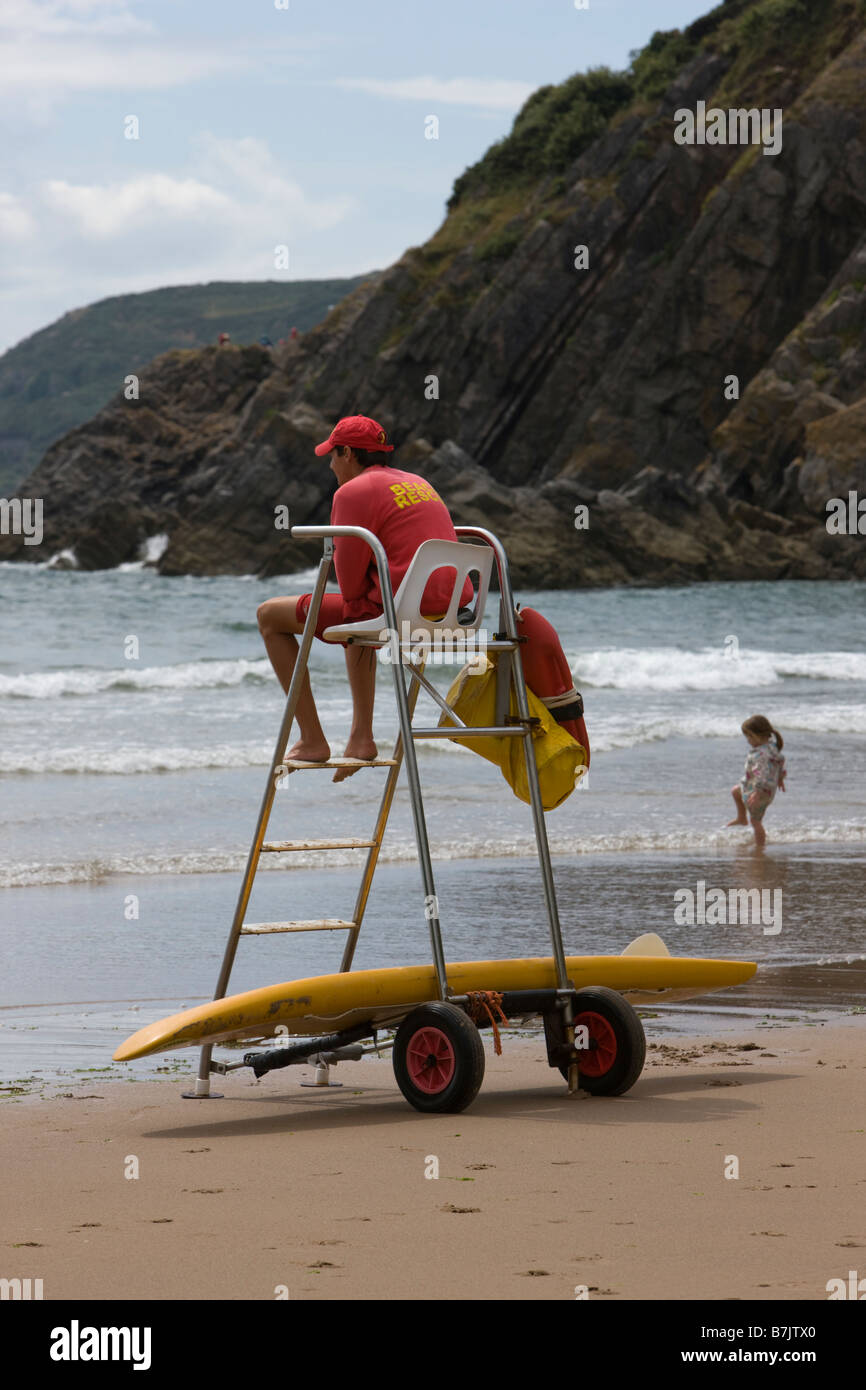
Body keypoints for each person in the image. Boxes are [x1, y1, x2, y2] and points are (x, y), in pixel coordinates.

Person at [257, 415, 473, 782]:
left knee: (270, 615)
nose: (330, 464)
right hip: (455, 614)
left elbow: (352, 585)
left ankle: (313, 739)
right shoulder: (418, 482)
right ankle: (360, 737)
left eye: (332, 455)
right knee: (361, 610)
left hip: (401, 612)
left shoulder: (352, 492)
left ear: (347, 453)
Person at [726, 714, 786, 847]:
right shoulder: (772, 748)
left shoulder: (762, 755)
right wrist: (780, 778)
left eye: (749, 736)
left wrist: (757, 792)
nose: (747, 740)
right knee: (735, 791)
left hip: (760, 791)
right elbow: (781, 761)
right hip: (760, 787)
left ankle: (760, 848)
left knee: (756, 822)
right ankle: (741, 818)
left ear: (758, 735)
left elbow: (762, 774)